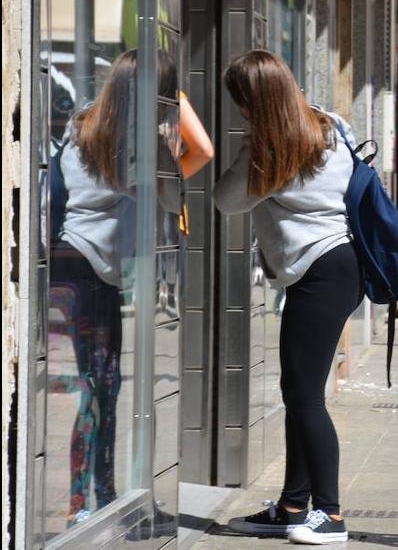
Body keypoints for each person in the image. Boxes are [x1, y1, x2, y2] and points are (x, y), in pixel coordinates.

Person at [51, 49, 205, 533]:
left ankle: (90, 499)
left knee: (98, 387)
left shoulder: (81, 129)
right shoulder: (141, 144)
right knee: (104, 386)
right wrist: (181, 119)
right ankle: (101, 500)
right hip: (95, 274)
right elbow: (179, 190)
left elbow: (54, 197)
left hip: (69, 263)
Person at [217, 51, 360, 545]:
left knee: (303, 397)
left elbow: (225, 199)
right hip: (339, 267)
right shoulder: (329, 124)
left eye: (240, 98)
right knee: (300, 393)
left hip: (317, 272)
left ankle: (331, 515)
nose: (237, 108)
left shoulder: (273, 147)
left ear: (253, 99)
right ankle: (294, 505)